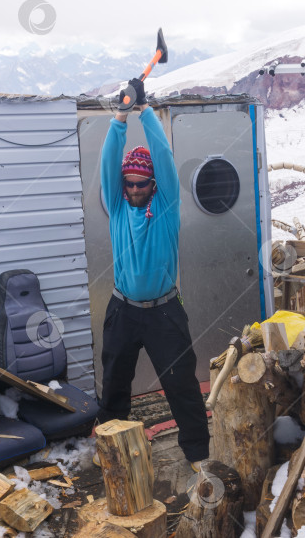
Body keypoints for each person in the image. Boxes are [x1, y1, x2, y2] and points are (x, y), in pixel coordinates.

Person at [96, 78, 209, 471]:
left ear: (153, 184)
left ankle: (198, 455)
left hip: (164, 311)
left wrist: (145, 112)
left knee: (182, 386)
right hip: (123, 309)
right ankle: (112, 454)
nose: (133, 188)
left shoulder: (166, 205)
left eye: (141, 183)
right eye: (128, 183)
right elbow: (110, 163)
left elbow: (161, 154)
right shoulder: (117, 205)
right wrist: (120, 117)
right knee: (114, 386)